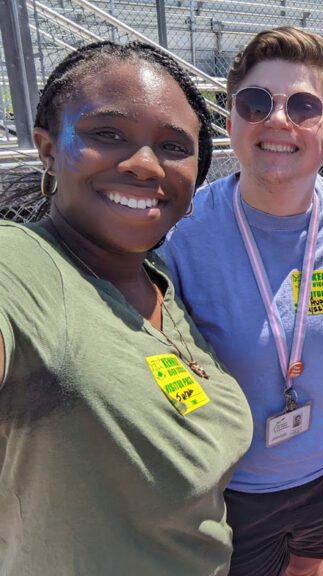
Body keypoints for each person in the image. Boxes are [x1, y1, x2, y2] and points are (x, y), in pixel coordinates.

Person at [160, 27, 323, 576]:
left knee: (308, 567)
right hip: (234, 481)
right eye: (255, 103)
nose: (277, 120)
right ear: (230, 125)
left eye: (302, 106)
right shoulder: (181, 229)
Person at [0, 41, 253, 575]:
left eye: (172, 146)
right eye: (107, 134)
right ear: (47, 150)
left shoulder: (156, 281)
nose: (143, 165)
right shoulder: (23, 266)